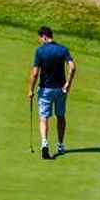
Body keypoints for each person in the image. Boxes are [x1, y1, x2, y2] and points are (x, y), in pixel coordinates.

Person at [27, 26, 76, 159]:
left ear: (44, 36)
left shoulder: (40, 51)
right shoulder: (62, 49)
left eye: (39, 38)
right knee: (60, 116)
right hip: (61, 89)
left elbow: (35, 73)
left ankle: (44, 143)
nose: (39, 41)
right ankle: (60, 145)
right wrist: (68, 83)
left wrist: (31, 89)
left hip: (45, 90)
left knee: (44, 117)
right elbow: (72, 67)